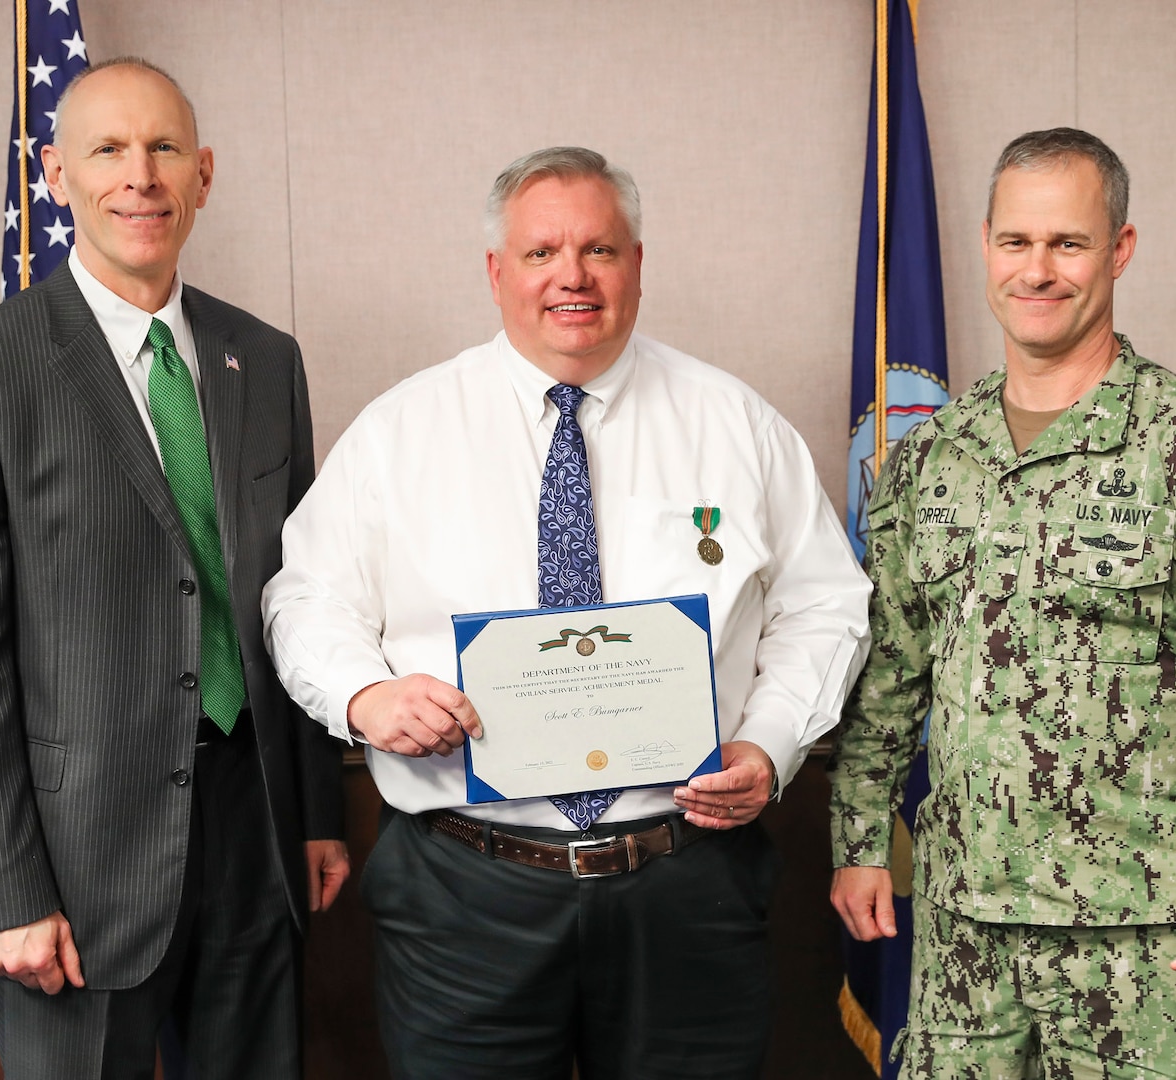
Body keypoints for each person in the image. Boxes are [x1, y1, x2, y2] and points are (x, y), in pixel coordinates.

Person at [262, 146, 873, 1079]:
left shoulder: (734, 423)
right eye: (543, 252)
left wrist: (773, 741)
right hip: (464, 890)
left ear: (637, 263)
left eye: (599, 250)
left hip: (688, 882)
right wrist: (364, 698)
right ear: (497, 272)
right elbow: (304, 596)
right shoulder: (403, 431)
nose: (572, 277)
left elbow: (825, 604)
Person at [828, 127, 1176, 1078]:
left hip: (1148, 944)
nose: (1038, 270)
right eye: (1017, 242)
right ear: (986, 243)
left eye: (1068, 244)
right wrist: (862, 838)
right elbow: (890, 673)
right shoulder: (928, 462)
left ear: (1118, 250)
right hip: (965, 946)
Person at [0, 57, 347, 1080]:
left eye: (165, 148)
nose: (139, 175)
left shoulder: (264, 360)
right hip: (72, 862)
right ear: (56, 175)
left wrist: (316, 813)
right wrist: (1, 887)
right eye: (107, 149)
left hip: (256, 836)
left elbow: (305, 597)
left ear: (205, 174)